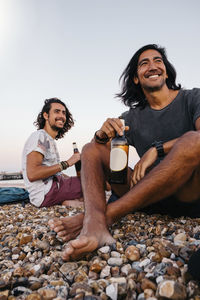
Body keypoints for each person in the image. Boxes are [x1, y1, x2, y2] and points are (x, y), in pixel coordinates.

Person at [49, 44, 200, 261]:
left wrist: (156, 150)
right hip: (147, 198)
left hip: (189, 194)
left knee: (194, 140)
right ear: (136, 78)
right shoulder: (130, 118)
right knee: (91, 148)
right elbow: (96, 157)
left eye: (158, 61)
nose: (152, 66)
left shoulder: (192, 98)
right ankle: (94, 225)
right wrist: (101, 135)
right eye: (144, 63)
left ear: (166, 71)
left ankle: (100, 218)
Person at [22, 98, 83, 208]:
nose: (61, 116)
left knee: (84, 181)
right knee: (94, 184)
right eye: (56, 111)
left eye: (64, 113)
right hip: (46, 193)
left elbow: (53, 172)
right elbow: (32, 174)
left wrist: (68, 179)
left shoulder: (49, 140)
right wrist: (68, 163)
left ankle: (68, 202)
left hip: (51, 190)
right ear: (46, 116)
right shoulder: (40, 137)